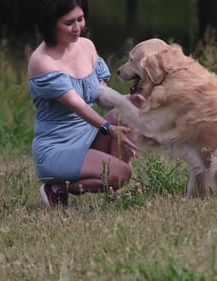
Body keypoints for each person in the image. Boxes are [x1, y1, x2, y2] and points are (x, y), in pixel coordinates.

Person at [27, 0, 143, 208]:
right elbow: (77, 104)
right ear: (51, 24)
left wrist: (125, 101)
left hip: (87, 136)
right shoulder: (43, 60)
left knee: (123, 114)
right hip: (56, 149)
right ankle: (55, 187)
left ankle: (112, 187)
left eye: (80, 19)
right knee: (123, 173)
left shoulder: (86, 46)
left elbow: (100, 93)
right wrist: (108, 128)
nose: (77, 27)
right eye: (68, 22)